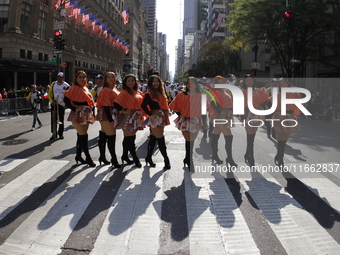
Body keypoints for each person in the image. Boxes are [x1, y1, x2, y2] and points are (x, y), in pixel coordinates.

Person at [64, 71, 96, 167]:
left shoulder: (85, 89)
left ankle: (78, 155)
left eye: (84, 77)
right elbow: (66, 100)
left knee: (80, 136)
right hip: (78, 114)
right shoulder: (73, 88)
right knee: (84, 135)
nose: (82, 79)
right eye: (80, 77)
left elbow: (90, 102)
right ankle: (88, 157)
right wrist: (74, 108)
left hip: (86, 114)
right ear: (76, 79)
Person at [169, 77, 202, 170]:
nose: (189, 85)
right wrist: (182, 116)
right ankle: (190, 160)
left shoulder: (200, 95)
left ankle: (187, 158)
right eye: (188, 83)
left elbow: (205, 108)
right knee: (188, 140)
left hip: (196, 120)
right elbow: (174, 106)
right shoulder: (181, 95)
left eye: (192, 83)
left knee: (192, 141)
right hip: (185, 120)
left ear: (196, 85)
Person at [113, 74, 144, 168]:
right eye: (128, 81)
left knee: (130, 138)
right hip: (127, 117)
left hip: (136, 117)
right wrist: (123, 110)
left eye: (132, 80)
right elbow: (116, 103)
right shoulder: (124, 92)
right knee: (130, 139)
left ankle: (125, 156)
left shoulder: (136, 92)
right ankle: (135, 158)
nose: (131, 82)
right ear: (125, 83)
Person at [141, 74, 171, 170]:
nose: (155, 83)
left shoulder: (161, 92)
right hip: (155, 119)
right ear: (150, 83)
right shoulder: (149, 94)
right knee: (160, 139)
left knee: (154, 138)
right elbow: (143, 105)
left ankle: (148, 157)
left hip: (161, 117)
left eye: (157, 81)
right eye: (153, 81)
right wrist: (150, 114)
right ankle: (166, 160)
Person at [271, 78, 301, 167]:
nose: (283, 85)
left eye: (284, 83)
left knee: (286, 138)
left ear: (287, 84)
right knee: (281, 138)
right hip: (279, 117)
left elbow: (299, 102)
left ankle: (278, 155)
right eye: (281, 84)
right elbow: (270, 104)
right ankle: (280, 157)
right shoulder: (277, 95)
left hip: (290, 117)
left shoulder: (294, 93)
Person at [209, 76, 237, 167]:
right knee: (228, 136)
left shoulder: (225, 91)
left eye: (223, 81)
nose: (222, 83)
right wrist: (222, 111)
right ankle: (229, 158)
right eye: (219, 82)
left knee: (216, 135)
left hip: (225, 115)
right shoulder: (217, 91)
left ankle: (215, 155)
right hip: (221, 116)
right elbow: (213, 103)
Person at [95, 72, 121, 168]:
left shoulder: (114, 88)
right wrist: (110, 119)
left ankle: (102, 156)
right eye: (108, 77)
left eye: (112, 77)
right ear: (105, 79)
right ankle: (114, 159)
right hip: (107, 113)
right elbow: (105, 105)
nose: (110, 79)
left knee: (103, 136)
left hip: (111, 113)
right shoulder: (105, 89)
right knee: (111, 137)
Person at [241, 74, 268, 166]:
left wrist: (262, 109)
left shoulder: (258, 91)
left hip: (257, 114)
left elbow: (265, 100)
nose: (249, 82)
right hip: (247, 114)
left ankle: (247, 154)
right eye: (247, 80)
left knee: (252, 136)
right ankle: (251, 156)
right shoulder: (242, 91)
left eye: (251, 80)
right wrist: (243, 116)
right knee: (249, 136)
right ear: (244, 82)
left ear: (253, 81)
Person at [48, 72, 70, 140]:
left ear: (63, 78)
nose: (59, 78)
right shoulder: (53, 84)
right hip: (55, 104)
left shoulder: (66, 85)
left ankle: (60, 134)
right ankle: (54, 133)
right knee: (53, 120)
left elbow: (69, 96)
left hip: (62, 105)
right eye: (58, 77)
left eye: (60, 77)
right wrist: (51, 102)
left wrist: (66, 105)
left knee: (61, 120)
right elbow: (49, 93)